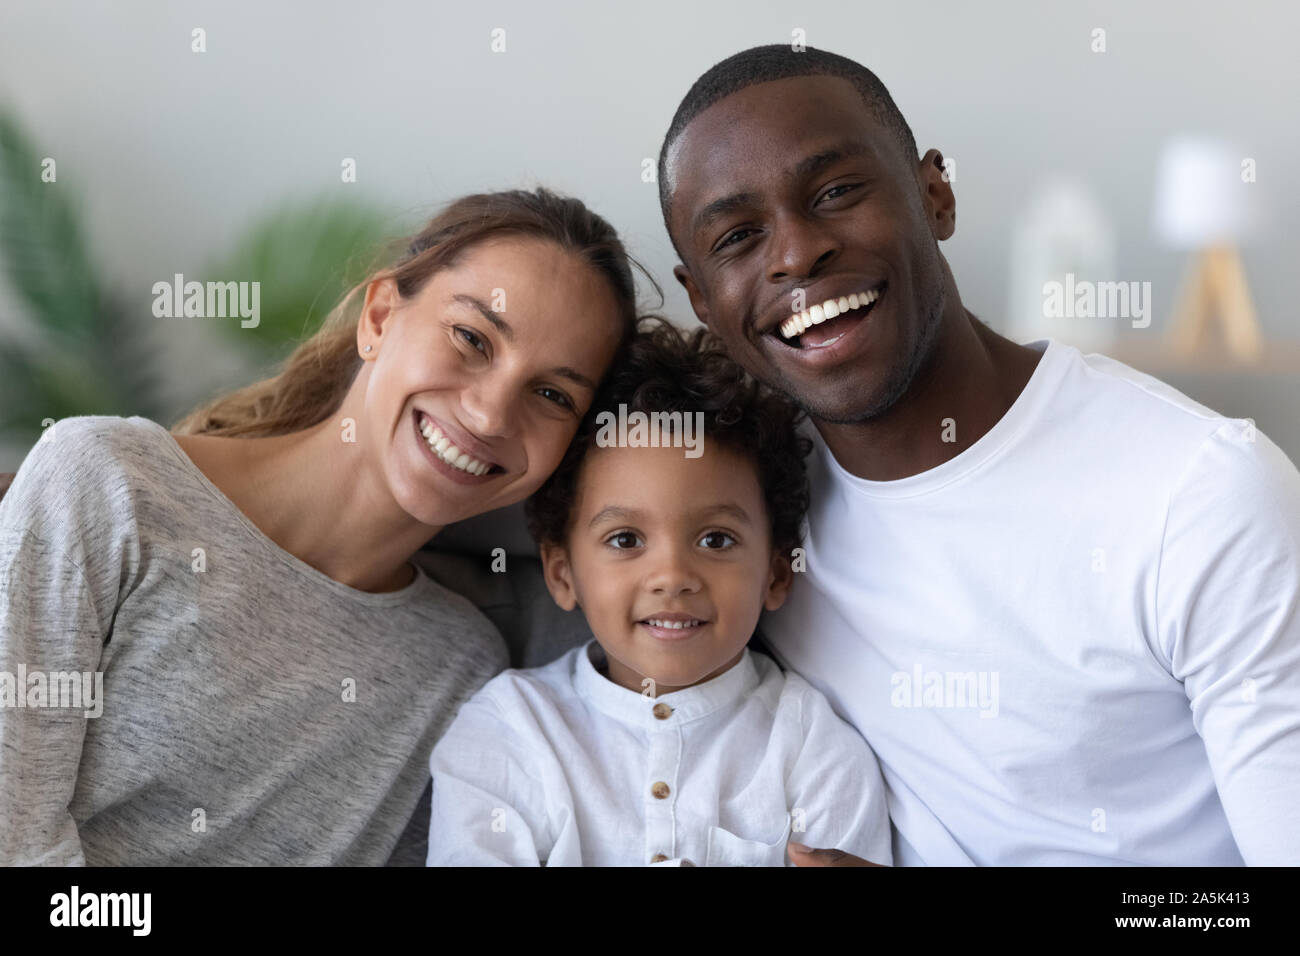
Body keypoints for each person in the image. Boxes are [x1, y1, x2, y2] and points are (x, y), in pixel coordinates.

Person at [656, 44, 1300, 865]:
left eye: (836, 192)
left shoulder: (1205, 494)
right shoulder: (746, 513)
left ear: (935, 194)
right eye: (739, 236)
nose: (794, 254)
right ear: (702, 301)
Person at [0, 187, 647, 865]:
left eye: (552, 395)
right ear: (379, 315)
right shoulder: (108, 484)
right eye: (471, 339)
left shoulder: (460, 672)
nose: (489, 416)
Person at [425, 320, 892, 866]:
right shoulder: (510, 730)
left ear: (776, 572)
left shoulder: (814, 750)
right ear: (562, 573)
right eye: (625, 539)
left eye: (716, 539)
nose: (672, 575)